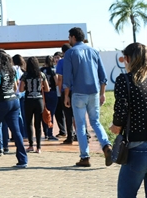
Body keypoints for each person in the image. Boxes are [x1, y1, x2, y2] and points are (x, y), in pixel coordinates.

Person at [63, 27, 112, 167]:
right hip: (94, 92)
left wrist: (66, 95)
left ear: (73, 37)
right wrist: (102, 93)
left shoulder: (70, 53)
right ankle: (106, 146)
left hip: (78, 93)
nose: (68, 40)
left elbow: (67, 78)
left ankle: (85, 157)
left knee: (80, 125)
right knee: (95, 122)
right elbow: (103, 76)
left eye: (69, 37)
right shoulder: (94, 51)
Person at [110, 42, 147, 198]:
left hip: (136, 146)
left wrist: (116, 125)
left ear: (127, 58)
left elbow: (121, 109)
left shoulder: (124, 80)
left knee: (126, 194)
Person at [19, 57, 49, 153]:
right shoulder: (41, 75)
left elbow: (21, 89)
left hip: (28, 100)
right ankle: (39, 147)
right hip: (39, 100)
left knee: (29, 123)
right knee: (38, 124)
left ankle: (31, 145)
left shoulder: (25, 75)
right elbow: (47, 89)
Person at [56, 44, 75, 144]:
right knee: (78, 114)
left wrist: (61, 91)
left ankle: (70, 136)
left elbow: (60, 78)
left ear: (63, 52)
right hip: (77, 90)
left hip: (66, 91)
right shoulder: (76, 61)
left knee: (68, 115)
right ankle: (82, 135)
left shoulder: (61, 62)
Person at [41, 55, 58, 141]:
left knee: (44, 112)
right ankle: (50, 133)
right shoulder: (52, 70)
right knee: (51, 114)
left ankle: (45, 132)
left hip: (43, 93)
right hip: (52, 92)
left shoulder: (41, 70)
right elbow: (57, 82)